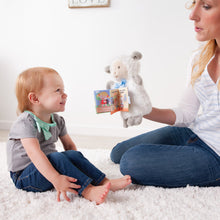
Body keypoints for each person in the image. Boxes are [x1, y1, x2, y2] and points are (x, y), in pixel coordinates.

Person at [110, 0, 220, 188]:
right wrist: (143, 109)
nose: (192, 15)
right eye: (194, 3)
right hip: (193, 132)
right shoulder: (200, 58)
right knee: (118, 152)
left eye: (206, 6)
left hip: (215, 154)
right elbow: (186, 114)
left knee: (131, 160)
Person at [7, 67, 131, 205]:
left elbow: (70, 147)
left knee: (72, 154)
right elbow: (35, 154)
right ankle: (87, 190)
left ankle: (104, 182)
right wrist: (56, 179)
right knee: (57, 156)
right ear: (35, 98)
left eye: (63, 90)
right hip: (25, 176)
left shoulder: (57, 120)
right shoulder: (25, 122)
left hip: (50, 166)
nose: (65, 95)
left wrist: (74, 164)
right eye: (57, 90)